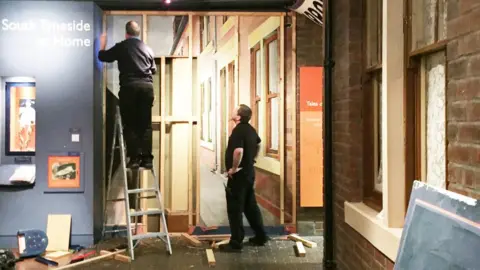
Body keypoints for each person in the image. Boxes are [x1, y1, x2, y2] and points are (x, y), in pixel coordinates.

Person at [98, 21, 156, 169]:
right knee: (145, 124)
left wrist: (101, 45)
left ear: (126, 33)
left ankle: (135, 159)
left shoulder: (122, 46)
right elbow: (153, 70)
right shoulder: (148, 49)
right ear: (138, 33)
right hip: (147, 87)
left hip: (130, 87)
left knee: (130, 124)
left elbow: (103, 57)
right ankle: (147, 159)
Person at [221, 104, 269, 252]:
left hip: (239, 176)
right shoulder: (250, 129)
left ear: (239, 116)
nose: (232, 110)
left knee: (235, 209)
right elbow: (259, 144)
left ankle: (236, 242)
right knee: (250, 206)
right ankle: (261, 236)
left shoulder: (238, 130)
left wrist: (234, 169)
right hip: (249, 173)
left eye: (235, 109)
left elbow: (238, 151)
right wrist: (252, 159)